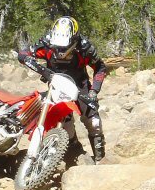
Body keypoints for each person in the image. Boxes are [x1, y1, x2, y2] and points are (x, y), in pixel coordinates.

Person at [17, 16, 108, 162]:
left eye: (64, 47)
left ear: (74, 40)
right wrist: (29, 61)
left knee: (94, 122)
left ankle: (101, 159)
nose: (59, 50)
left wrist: (94, 91)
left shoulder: (84, 47)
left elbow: (100, 67)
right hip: (56, 84)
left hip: (80, 85)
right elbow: (24, 53)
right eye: (57, 46)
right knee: (65, 125)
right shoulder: (46, 43)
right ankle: (75, 153)